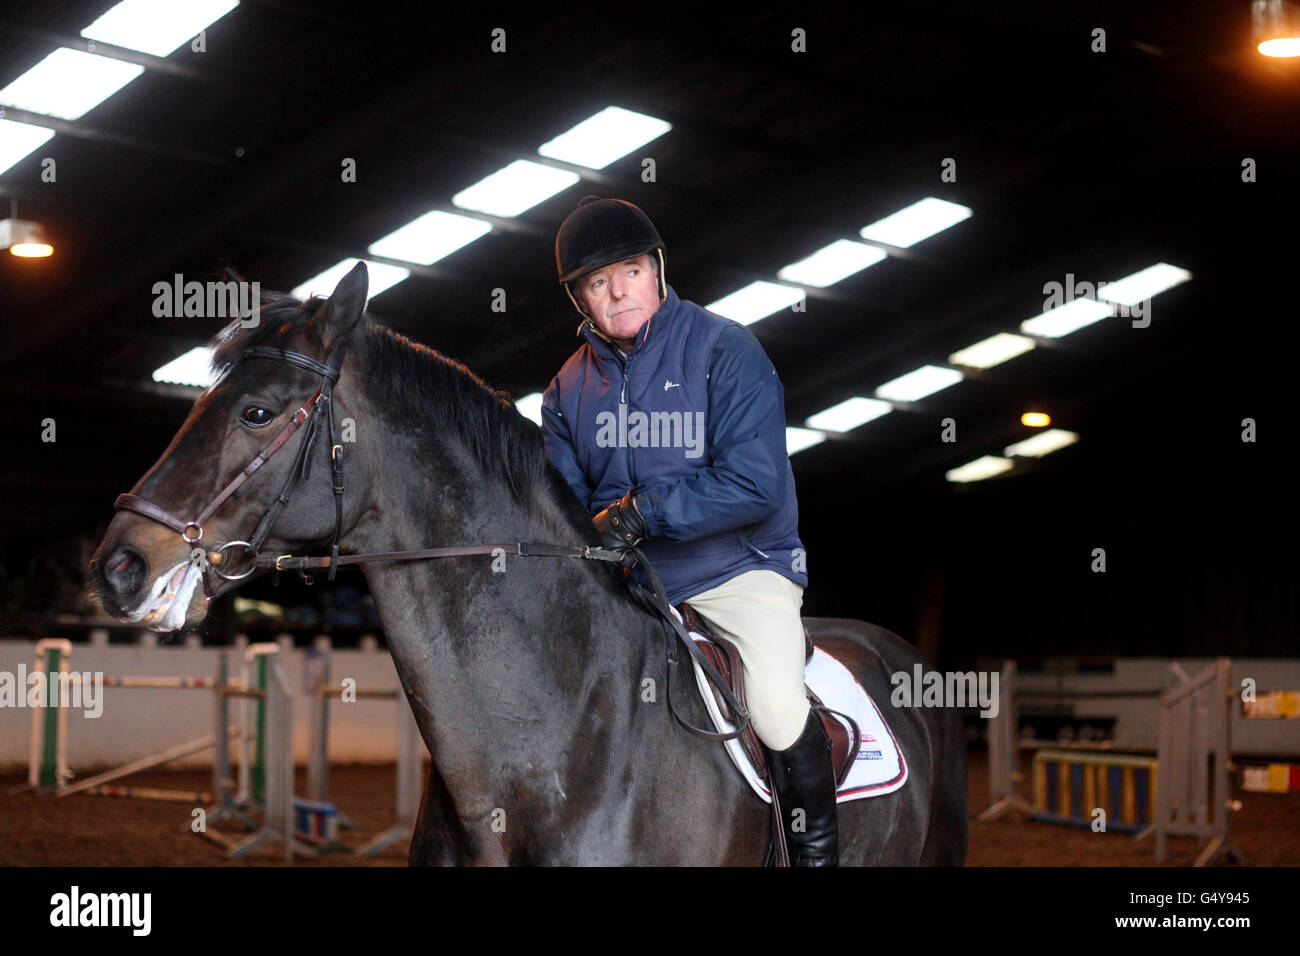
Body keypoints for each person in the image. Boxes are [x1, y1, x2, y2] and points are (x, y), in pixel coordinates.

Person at [539, 196, 839, 865]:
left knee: (774, 702)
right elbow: (562, 509)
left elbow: (756, 483)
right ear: (580, 299)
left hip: (741, 570)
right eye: (597, 281)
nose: (617, 291)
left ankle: (814, 859)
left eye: (629, 271)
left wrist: (643, 513)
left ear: (656, 271)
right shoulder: (565, 390)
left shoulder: (724, 348)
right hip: (630, 585)